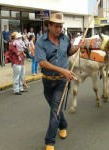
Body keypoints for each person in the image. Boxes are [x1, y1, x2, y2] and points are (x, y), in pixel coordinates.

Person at [35, 13, 80, 150]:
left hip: (62, 81)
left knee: (55, 109)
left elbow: (68, 52)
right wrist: (63, 70)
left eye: (60, 26)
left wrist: (77, 47)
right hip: (47, 81)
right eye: (56, 26)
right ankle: (63, 125)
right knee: (55, 109)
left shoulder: (65, 38)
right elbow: (42, 62)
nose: (58, 29)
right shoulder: (40, 42)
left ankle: (50, 141)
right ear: (49, 25)